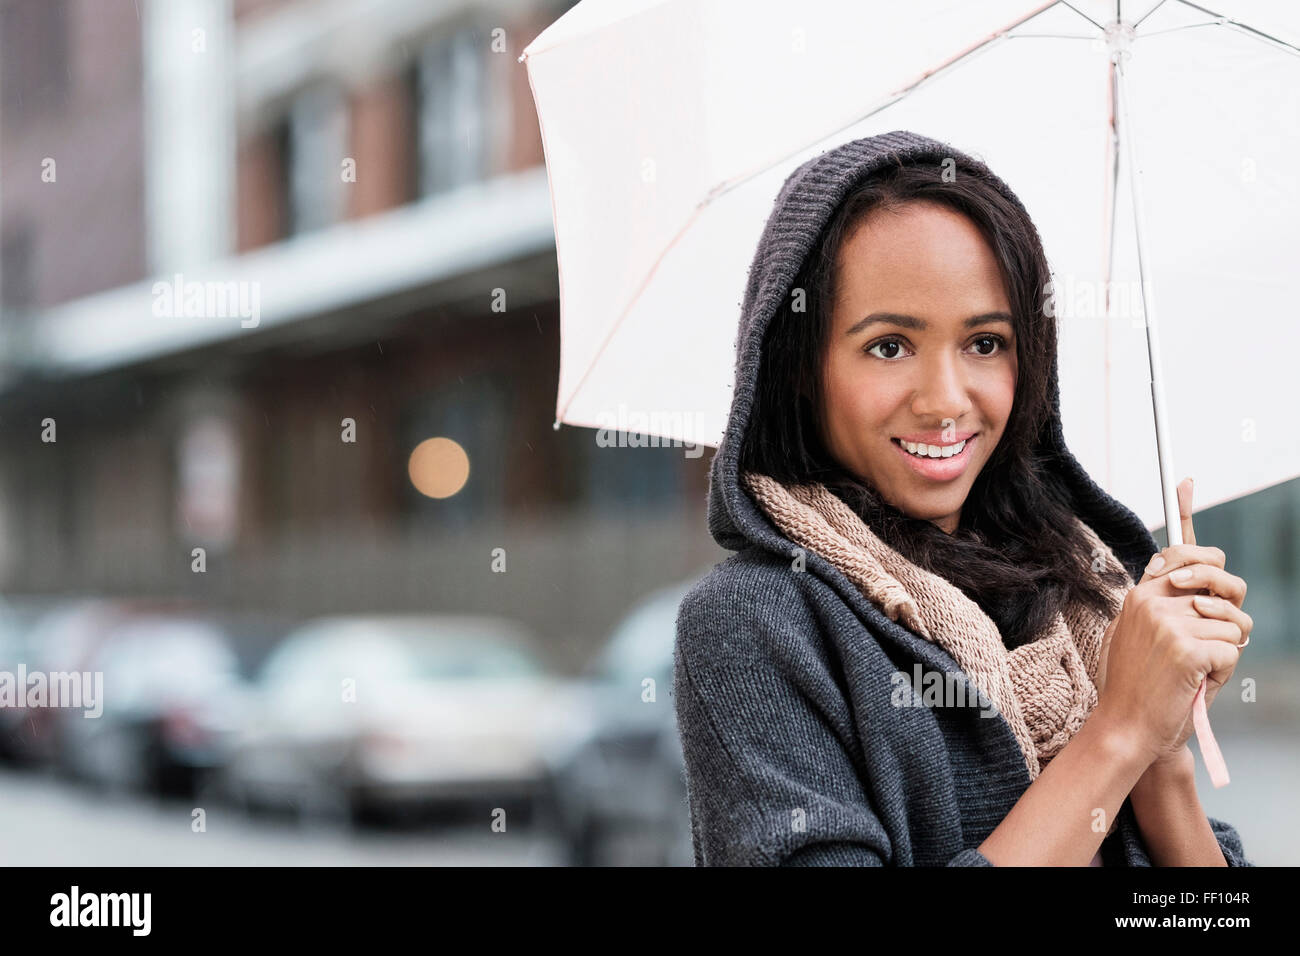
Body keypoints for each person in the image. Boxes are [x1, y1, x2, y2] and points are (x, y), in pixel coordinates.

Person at [673, 129, 1253, 866]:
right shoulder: (753, 624)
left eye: (985, 343)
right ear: (798, 367)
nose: (946, 401)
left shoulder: (1093, 595)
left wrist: (1161, 757)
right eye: (889, 346)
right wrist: (1119, 733)